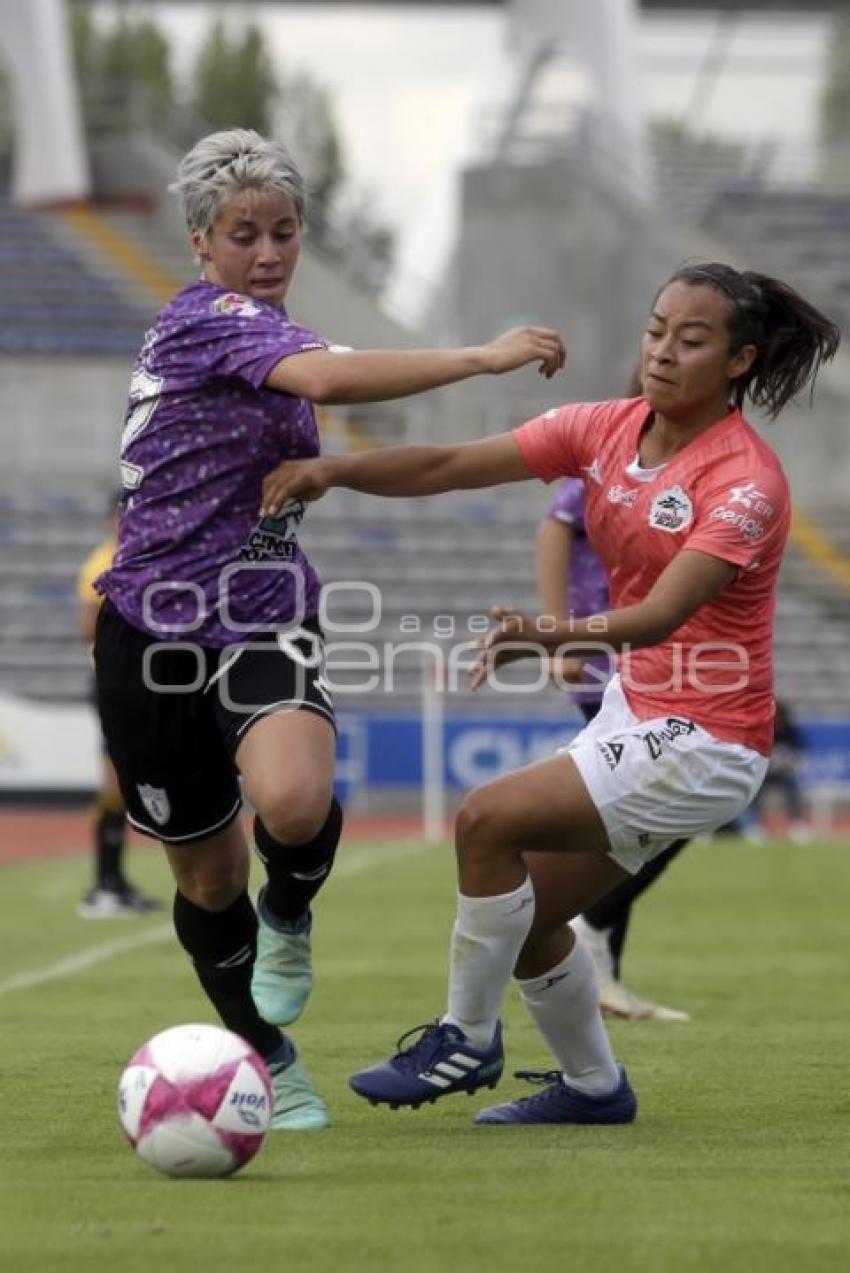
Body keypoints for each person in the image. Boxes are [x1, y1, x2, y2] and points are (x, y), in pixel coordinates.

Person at [259, 261, 838, 1125]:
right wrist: (335, 470)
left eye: (693, 339)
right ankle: (596, 1089)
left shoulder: (745, 483)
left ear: (741, 361)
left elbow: (661, 613)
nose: (664, 352)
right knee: (527, 916)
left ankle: (465, 1035)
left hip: (706, 734)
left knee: (488, 820)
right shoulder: (604, 427)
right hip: (643, 713)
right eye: (655, 330)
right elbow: (454, 463)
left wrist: (549, 632)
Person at [92, 128, 565, 1133]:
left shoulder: (274, 335)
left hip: (264, 615)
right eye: (243, 234)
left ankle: (290, 912)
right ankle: (268, 1058)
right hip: (151, 631)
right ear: (200, 243)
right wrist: (482, 354)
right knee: (205, 873)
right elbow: (332, 383)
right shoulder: (205, 320)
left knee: (295, 803)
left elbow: (340, 392)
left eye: (284, 231)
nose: (267, 254)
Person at [537, 478, 689, 1021]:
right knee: (670, 804)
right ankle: (590, 932)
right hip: (612, 661)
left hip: (656, 661)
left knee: (638, 814)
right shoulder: (620, 460)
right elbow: (555, 527)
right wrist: (559, 635)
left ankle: (601, 978)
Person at [76, 494, 162, 918]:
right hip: (114, 682)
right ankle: (104, 884)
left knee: (123, 782)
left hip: (136, 679)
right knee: (114, 782)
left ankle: (114, 882)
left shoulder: (138, 557)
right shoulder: (106, 561)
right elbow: (87, 625)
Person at [748, 699, 811, 842]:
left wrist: (787, 762)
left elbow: (800, 754)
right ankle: (755, 825)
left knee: (792, 787)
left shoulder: (791, 732)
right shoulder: (761, 731)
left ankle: (796, 824)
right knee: (753, 790)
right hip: (763, 773)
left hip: (783, 773)